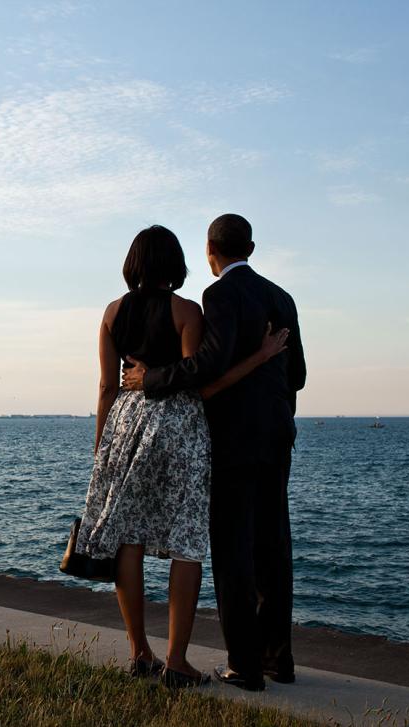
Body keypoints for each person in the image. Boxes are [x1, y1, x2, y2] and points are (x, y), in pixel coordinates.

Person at [74, 225, 288, 689]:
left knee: (126, 536)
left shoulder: (110, 314)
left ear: (132, 263)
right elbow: (203, 384)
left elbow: (107, 387)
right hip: (179, 428)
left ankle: (139, 653)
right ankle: (177, 659)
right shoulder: (186, 311)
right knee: (186, 540)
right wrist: (259, 357)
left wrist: (101, 448)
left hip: (124, 425)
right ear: (176, 264)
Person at [123, 214, 306, 692]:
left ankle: (245, 666)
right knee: (273, 548)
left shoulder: (220, 295)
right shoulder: (282, 297)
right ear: (252, 247)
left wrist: (151, 379)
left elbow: (208, 363)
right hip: (277, 435)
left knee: (232, 553)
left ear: (211, 252)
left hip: (233, 440)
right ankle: (277, 661)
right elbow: (299, 373)